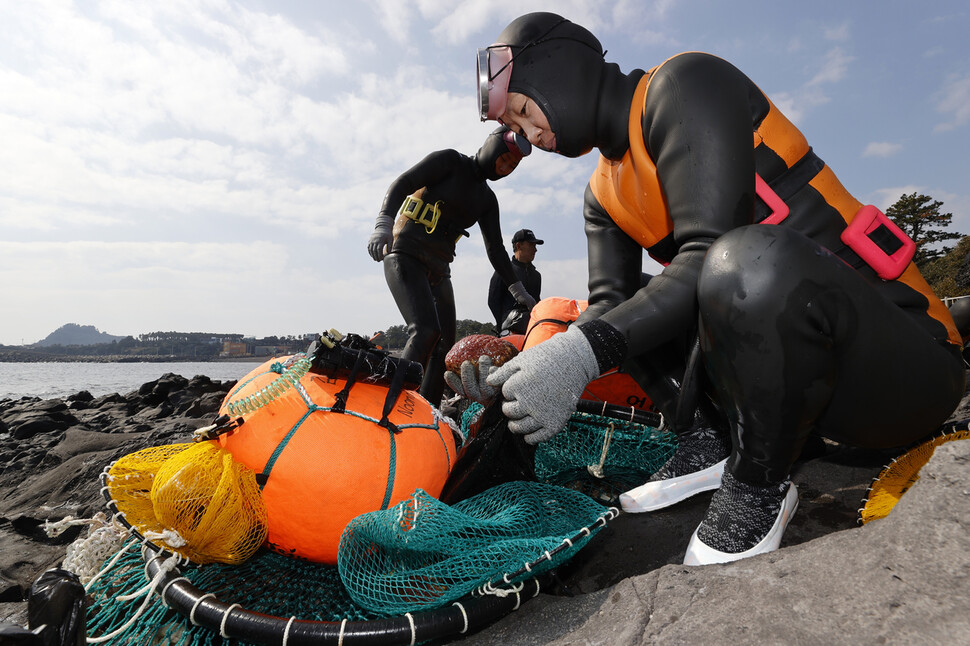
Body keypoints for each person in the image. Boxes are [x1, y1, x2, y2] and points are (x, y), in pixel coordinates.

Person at [474, 12, 966, 565]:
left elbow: (710, 250)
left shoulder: (683, 85)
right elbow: (612, 307)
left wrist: (583, 354)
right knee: (625, 305)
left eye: (521, 108)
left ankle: (760, 482)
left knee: (743, 259)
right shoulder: (601, 194)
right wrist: (526, 373)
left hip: (902, 369)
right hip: (802, 397)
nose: (527, 135)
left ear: (557, 65)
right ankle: (714, 435)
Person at [367, 126, 536, 406]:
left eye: (510, 166)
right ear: (492, 147)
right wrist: (383, 222)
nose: (504, 167)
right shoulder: (450, 162)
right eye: (503, 159)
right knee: (425, 330)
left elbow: (495, 249)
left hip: (439, 269)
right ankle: (390, 408)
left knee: (445, 348)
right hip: (405, 254)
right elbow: (404, 182)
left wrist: (518, 290)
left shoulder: (487, 199)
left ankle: (428, 412)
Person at [488, 228, 543, 334]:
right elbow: (493, 301)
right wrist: (503, 326)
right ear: (518, 246)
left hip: (530, 333)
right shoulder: (503, 270)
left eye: (535, 246)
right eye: (531, 245)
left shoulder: (537, 276)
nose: (535, 249)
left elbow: (536, 304)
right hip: (509, 332)